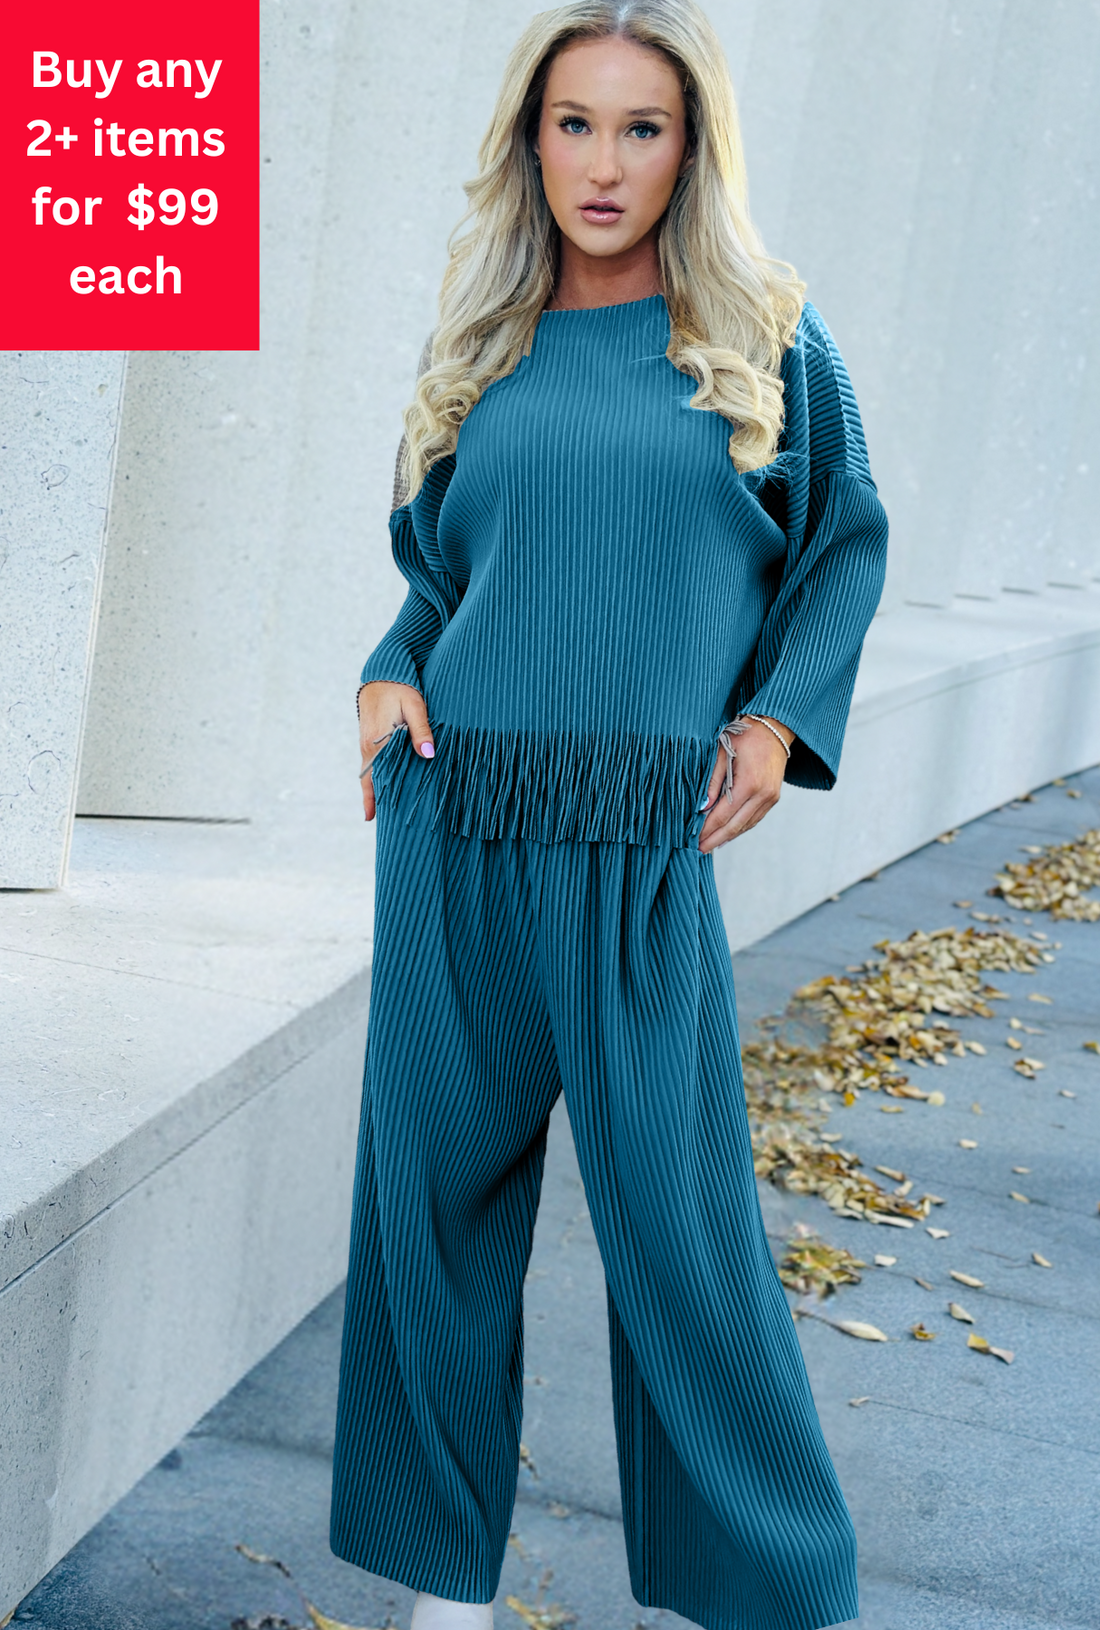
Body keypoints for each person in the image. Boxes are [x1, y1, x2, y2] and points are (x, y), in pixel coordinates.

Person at [330, 4, 887, 1627]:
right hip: (456, 818)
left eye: (643, 128)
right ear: (532, 138)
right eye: (574, 123)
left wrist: (778, 715)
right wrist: (386, 669)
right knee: (429, 1213)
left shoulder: (766, 336)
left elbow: (842, 541)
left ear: (691, 148)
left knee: (683, 1233)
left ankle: (775, 1590)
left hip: (641, 838)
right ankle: (440, 1592)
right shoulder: (485, 342)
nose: (603, 163)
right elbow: (441, 576)